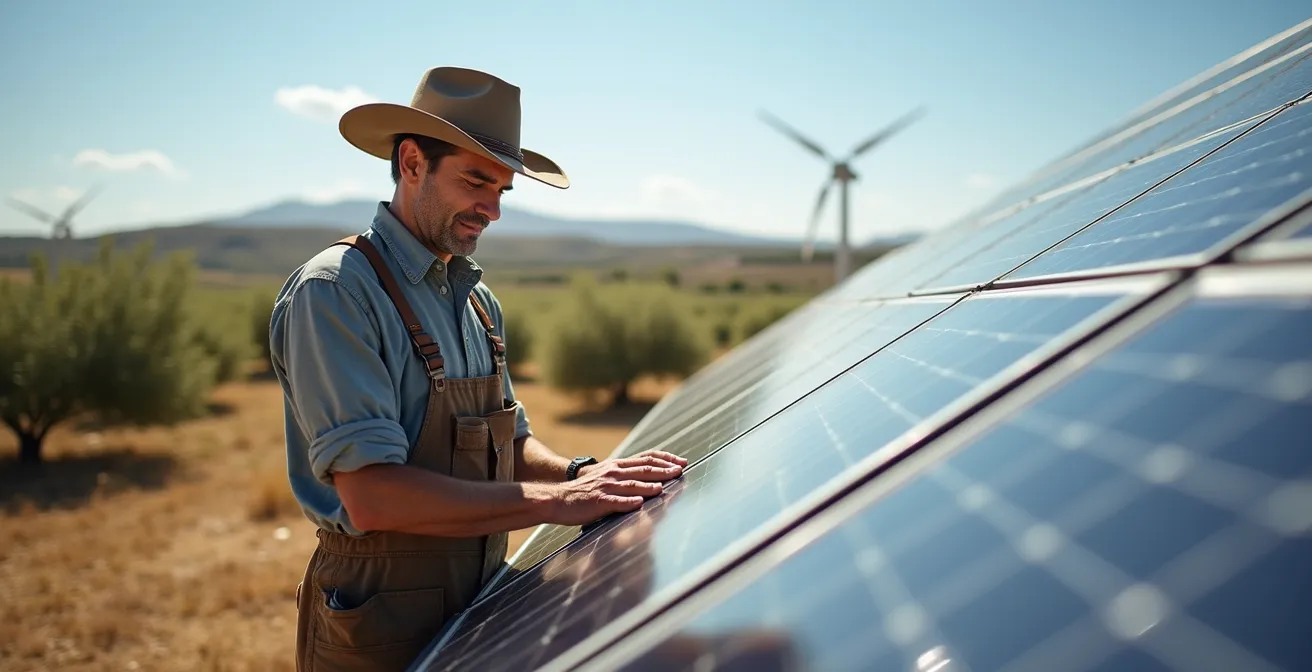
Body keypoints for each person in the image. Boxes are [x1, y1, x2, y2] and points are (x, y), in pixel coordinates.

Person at [269, 66, 687, 671]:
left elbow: (508, 444)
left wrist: (586, 475)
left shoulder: (475, 303)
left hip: (481, 591)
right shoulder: (336, 292)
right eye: (474, 183)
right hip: (381, 617)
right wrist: (558, 500)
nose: (491, 210)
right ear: (412, 163)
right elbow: (373, 497)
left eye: (501, 192)